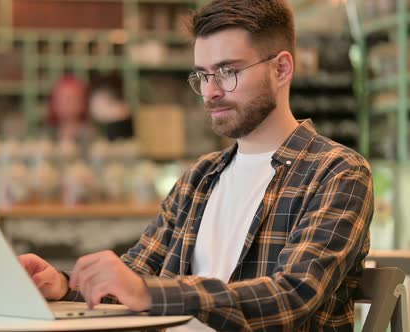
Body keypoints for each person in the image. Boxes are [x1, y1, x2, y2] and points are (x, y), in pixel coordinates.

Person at [19, 1, 374, 330]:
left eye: (227, 72)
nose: (211, 92)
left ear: (281, 68)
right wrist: (64, 285)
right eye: (203, 75)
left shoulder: (337, 172)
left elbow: (292, 297)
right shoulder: (200, 177)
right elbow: (135, 275)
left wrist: (148, 293)